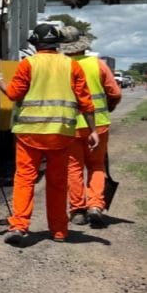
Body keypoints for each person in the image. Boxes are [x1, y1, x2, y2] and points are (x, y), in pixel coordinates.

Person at [0, 21, 98, 243]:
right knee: (58, 183)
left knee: (25, 179)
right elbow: (85, 101)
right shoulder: (72, 66)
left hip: (30, 132)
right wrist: (93, 130)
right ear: (57, 44)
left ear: (35, 44)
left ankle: (19, 226)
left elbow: (14, 93)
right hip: (61, 134)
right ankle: (59, 231)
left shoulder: (28, 64)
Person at [59, 28, 122, 227]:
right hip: (99, 125)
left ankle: (77, 211)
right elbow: (115, 93)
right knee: (96, 166)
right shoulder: (98, 65)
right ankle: (95, 205)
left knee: (74, 168)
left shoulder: (60, 67)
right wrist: (109, 107)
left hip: (70, 127)